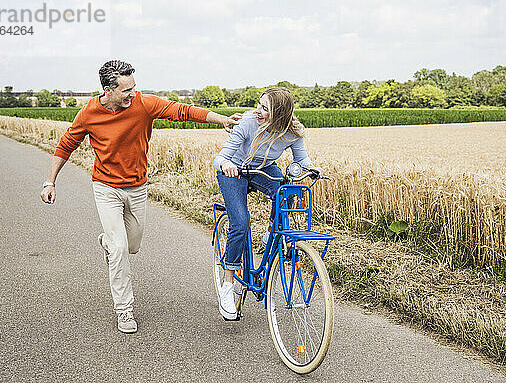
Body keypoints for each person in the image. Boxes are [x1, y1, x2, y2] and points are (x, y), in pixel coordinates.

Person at [40, 60, 239, 333]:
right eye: (126, 90)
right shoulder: (89, 113)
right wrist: (49, 182)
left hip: (137, 187)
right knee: (120, 249)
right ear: (108, 91)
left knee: (131, 245)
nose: (133, 93)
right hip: (106, 187)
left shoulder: (143, 104)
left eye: (134, 87)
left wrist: (222, 119)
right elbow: (66, 145)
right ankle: (124, 311)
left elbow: (182, 111)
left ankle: (108, 242)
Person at [213, 87, 320, 320]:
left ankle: (271, 232)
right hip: (235, 170)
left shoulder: (293, 132)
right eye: (259, 105)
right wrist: (226, 165)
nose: (257, 111)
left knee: (286, 188)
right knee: (241, 223)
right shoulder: (247, 123)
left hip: (263, 169)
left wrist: (312, 169)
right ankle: (228, 286)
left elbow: (301, 160)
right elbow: (220, 157)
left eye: (265, 109)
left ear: (280, 114)